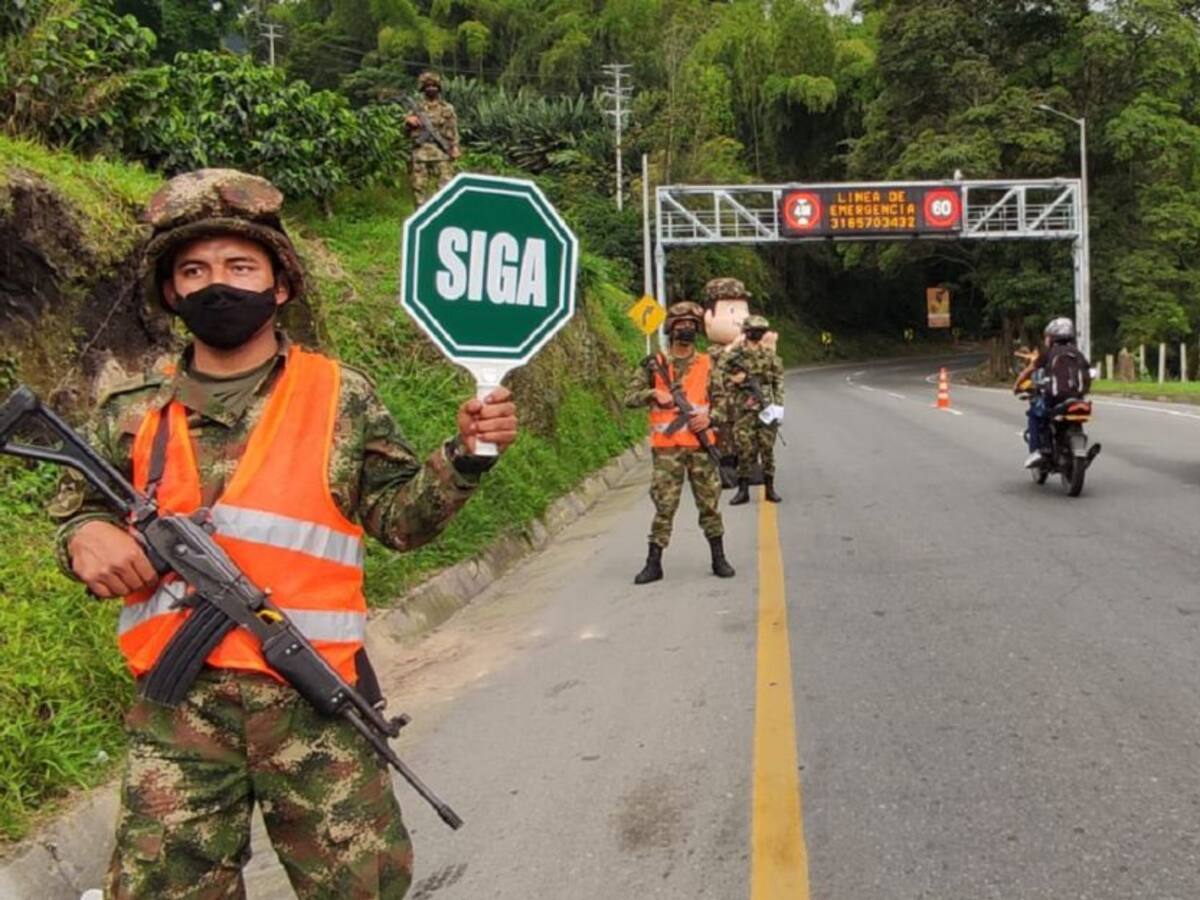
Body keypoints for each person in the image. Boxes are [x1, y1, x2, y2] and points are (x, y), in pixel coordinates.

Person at [50, 168, 518, 900]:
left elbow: (399, 520)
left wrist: (466, 455)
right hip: (177, 715)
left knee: (360, 888)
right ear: (170, 292)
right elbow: (79, 509)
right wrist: (85, 537)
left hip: (315, 699)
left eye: (240, 266)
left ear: (280, 285)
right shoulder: (130, 412)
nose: (217, 284)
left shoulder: (340, 394)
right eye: (194, 271)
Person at [624, 301, 735, 584]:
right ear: (671, 329)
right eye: (681, 324)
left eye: (691, 325)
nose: (686, 329)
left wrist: (709, 418)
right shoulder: (655, 365)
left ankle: (719, 558)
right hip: (667, 449)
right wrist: (653, 394)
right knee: (665, 505)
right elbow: (629, 398)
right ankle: (653, 563)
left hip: (701, 446)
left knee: (709, 504)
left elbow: (724, 403)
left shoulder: (708, 364)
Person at [1013, 316, 1090, 468]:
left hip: (1056, 398)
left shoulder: (1049, 353)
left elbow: (1029, 371)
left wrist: (1016, 386)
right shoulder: (1077, 353)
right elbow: (1087, 373)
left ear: (1053, 336)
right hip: (1077, 398)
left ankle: (1039, 451)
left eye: (1047, 336)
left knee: (1035, 414)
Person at [725, 315, 785, 505]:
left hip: (766, 408)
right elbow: (720, 375)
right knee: (744, 450)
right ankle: (743, 490)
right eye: (754, 331)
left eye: (761, 331)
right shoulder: (736, 355)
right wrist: (736, 381)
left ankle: (770, 489)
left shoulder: (769, 355)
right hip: (743, 409)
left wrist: (778, 407)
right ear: (746, 332)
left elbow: (778, 381)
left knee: (767, 450)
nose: (757, 334)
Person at [405, 71, 462, 206]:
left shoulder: (447, 108)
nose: (431, 89)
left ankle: (444, 215)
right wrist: (408, 122)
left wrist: (455, 147)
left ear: (439, 88)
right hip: (420, 153)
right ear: (423, 88)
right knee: (419, 190)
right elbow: (405, 133)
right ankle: (422, 215)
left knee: (446, 189)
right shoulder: (417, 108)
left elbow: (453, 129)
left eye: (434, 86)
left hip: (442, 153)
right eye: (428, 86)